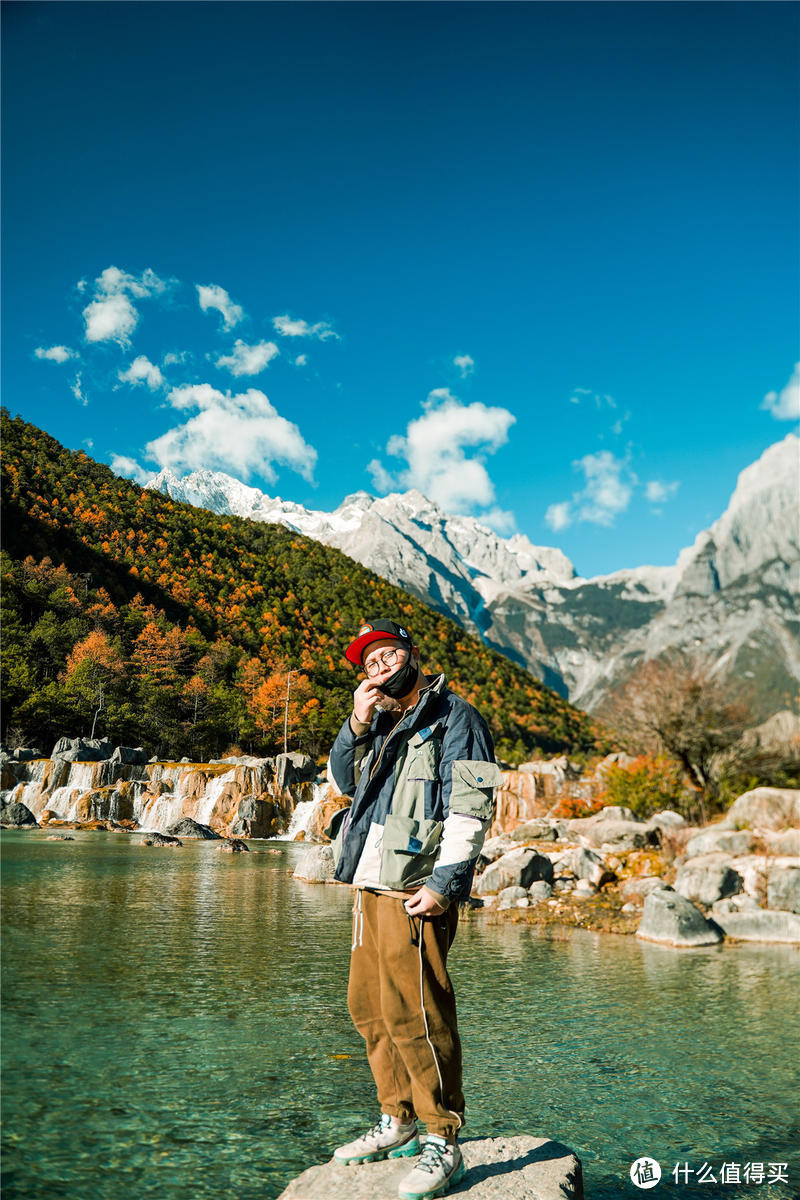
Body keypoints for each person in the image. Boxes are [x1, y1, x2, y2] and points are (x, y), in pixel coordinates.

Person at [326, 618, 501, 1200]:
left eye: (388, 654)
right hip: (370, 884)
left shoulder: (458, 718)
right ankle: (396, 1118)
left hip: (415, 887)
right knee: (369, 1009)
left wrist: (448, 884)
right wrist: (357, 720)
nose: (378, 665)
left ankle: (442, 1135)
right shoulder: (379, 723)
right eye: (368, 660)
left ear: (411, 655)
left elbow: (472, 808)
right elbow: (344, 781)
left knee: (417, 1013)